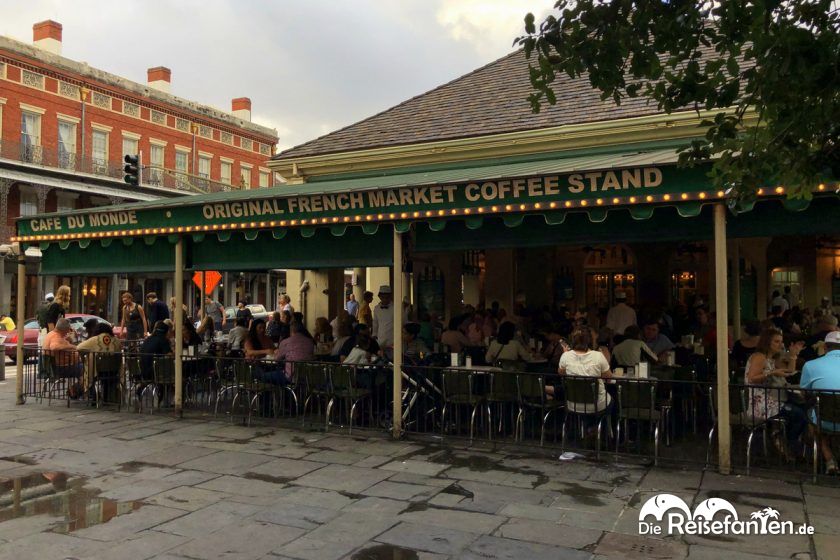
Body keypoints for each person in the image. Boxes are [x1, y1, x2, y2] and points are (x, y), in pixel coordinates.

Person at [744, 327, 807, 459]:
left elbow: (789, 371)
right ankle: (788, 441)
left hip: (772, 399)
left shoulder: (771, 358)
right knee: (799, 414)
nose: (780, 345)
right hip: (761, 403)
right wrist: (772, 373)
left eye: (781, 341)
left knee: (801, 409)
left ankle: (781, 437)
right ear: (767, 342)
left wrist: (793, 355)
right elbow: (752, 378)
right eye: (777, 342)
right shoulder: (759, 357)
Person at [800, 332, 840, 474]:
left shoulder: (811, 365)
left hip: (825, 418)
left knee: (814, 422)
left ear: (824, 347)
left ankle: (829, 459)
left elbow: (804, 392)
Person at [548, 329, 612, 413]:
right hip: (597, 405)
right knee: (612, 401)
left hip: (573, 405)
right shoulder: (598, 355)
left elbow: (561, 373)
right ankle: (606, 425)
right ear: (590, 340)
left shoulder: (566, 356)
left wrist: (566, 355)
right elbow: (608, 378)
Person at [77, 321, 121, 396]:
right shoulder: (116, 340)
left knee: (84, 370)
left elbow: (79, 347)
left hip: (98, 371)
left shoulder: (95, 339)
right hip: (114, 370)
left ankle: (91, 394)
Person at [43, 318, 84, 382]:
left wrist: (66, 340)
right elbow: (54, 347)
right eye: (68, 330)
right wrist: (71, 346)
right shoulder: (56, 336)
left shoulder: (52, 334)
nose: (68, 332)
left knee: (84, 367)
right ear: (63, 329)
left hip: (59, 367)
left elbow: (57, 342)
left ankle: (78, 388)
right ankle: (83, 389)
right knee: (87, 368)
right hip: (62, 369)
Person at [372, 285, 401, 358]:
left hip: (393, 340)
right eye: (383, 297)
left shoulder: (396, 307)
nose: (385, 299)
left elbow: (401, 323)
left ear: (390, 297)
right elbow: (375, 323)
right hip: (380, 339)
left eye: (386, 297)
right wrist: (374, 334)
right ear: (380, 297)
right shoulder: (376, 308)